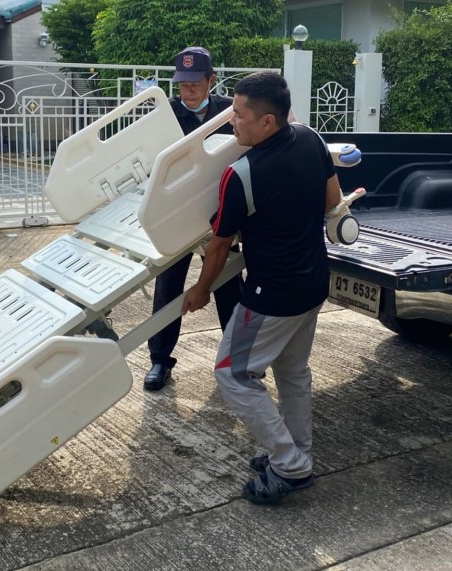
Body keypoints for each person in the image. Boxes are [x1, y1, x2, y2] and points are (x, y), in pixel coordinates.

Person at [181, 71, 343, 505]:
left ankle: (289, 465)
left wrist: (200, 290)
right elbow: (332, 201)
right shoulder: (310, 139)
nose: (231, 121)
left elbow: (218, 247)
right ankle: (295, 452)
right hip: (312, 284)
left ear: (267, 121)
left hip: (271, 296)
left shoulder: (241, 174)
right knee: (293, 372)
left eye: (239, 115)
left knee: (232, 373)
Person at [142, 46, 244, 392]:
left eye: (195, 84)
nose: (187, 91)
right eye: (182, 84)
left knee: (228, 284)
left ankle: (236, 360)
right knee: (168, 286)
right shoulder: (166, 116)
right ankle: (160, 360)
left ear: (211, 80)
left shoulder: (229, 112)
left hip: (219, 212)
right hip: (177, 214)